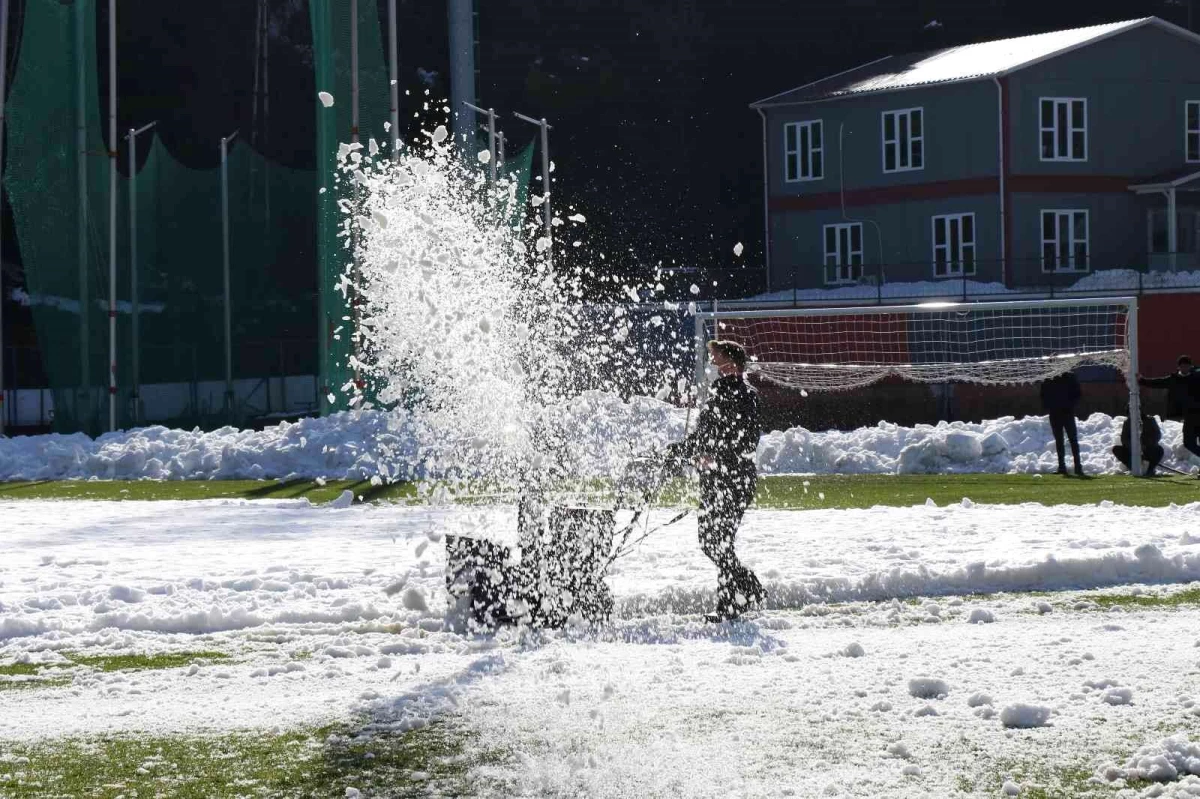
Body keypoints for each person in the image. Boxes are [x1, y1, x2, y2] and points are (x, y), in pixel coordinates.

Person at [665, 340, 764, 621]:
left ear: (730, 363)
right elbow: (704, 436)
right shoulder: (719, 393)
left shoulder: (744, 395)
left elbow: (746, 440)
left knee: (718, 542)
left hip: (734, 480)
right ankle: (741, 595)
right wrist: (680, 452)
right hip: (716, 479)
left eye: (716, 360)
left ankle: (738, 597)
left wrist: (715, 456)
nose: (712, 366)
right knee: (712, 541)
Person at [1139, 355, 1200, 461]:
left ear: (1190, 366)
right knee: (1188, 443)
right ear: (1179, 367)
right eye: (1182, 366)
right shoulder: (1175, 379)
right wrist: (1142, 380)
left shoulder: (1197, 376)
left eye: (1187, 366)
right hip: (1189, 417)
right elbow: (1158, 382)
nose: (1185, 368)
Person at [1040, 371, 1084, 476]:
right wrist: (1050, 406)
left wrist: (1070, 405)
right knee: (1060, 440)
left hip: (1067, 412)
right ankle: (1062, 467)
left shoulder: (1069, 377)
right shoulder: (1049, 377)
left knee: (1072, 439)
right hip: (1055, 412)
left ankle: (1077, 467)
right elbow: (1043, 394)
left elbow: (1077, 393)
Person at [1111, 410, 1164, 477]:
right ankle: (1133, 468)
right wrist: (1134, 447)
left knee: (1159, 450)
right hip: (1132, 451)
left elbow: (1157, 435)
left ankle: (1149, 470)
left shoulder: (1150, 420)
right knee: (1116, 449)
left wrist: (1146, 444)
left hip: (1148, 449)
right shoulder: (1127, 422)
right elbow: (1124, 439)